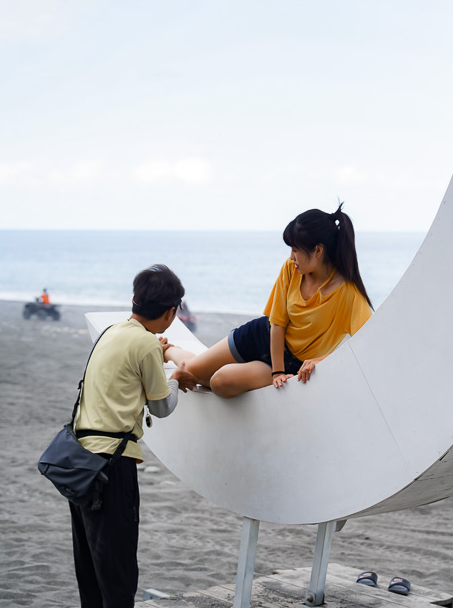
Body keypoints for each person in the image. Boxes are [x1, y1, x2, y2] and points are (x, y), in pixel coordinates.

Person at [70, 264, 191, 607]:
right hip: (112, 464)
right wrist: (177, 378)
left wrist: (154, 347)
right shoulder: (146, 346)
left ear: (134, 300)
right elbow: (162, 407)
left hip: (80, 458)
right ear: (171, 313)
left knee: (90, 562)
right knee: (119, 566)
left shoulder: (112, 332)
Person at [165, 204, 372, 398]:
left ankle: (182, 356)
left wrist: (318, 361)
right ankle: (168, 350)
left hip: (293, 364)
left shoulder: (349, 294)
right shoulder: (292, 269)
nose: (291, 257)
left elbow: (367, 344)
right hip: (263, 336)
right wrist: (277, 371)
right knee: (191, 373)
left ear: (318, 250)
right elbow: (277, 323)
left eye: (295, 250)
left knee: (219, 382)